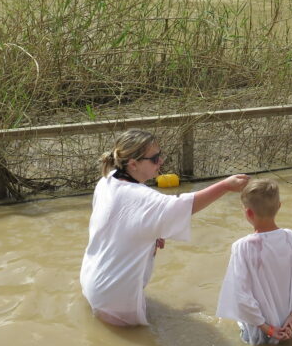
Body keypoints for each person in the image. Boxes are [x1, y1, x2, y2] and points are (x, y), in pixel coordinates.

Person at [80, 129, 249, 327]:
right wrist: (225, 186)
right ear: (133, 164)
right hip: (116, 298)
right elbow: (183, 206)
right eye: (155, 158)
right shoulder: (144, 198)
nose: (161, 162)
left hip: (91, 279)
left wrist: (149, 235)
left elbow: (115, 224)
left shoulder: (107, 180)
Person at [216, 179, 292, 345]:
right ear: (279, 206)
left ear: (248, 213)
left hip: (256, 332)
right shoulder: (291, 238)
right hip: (286, 327)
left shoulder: (242, 247)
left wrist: (267, 329)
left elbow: (241, 296)